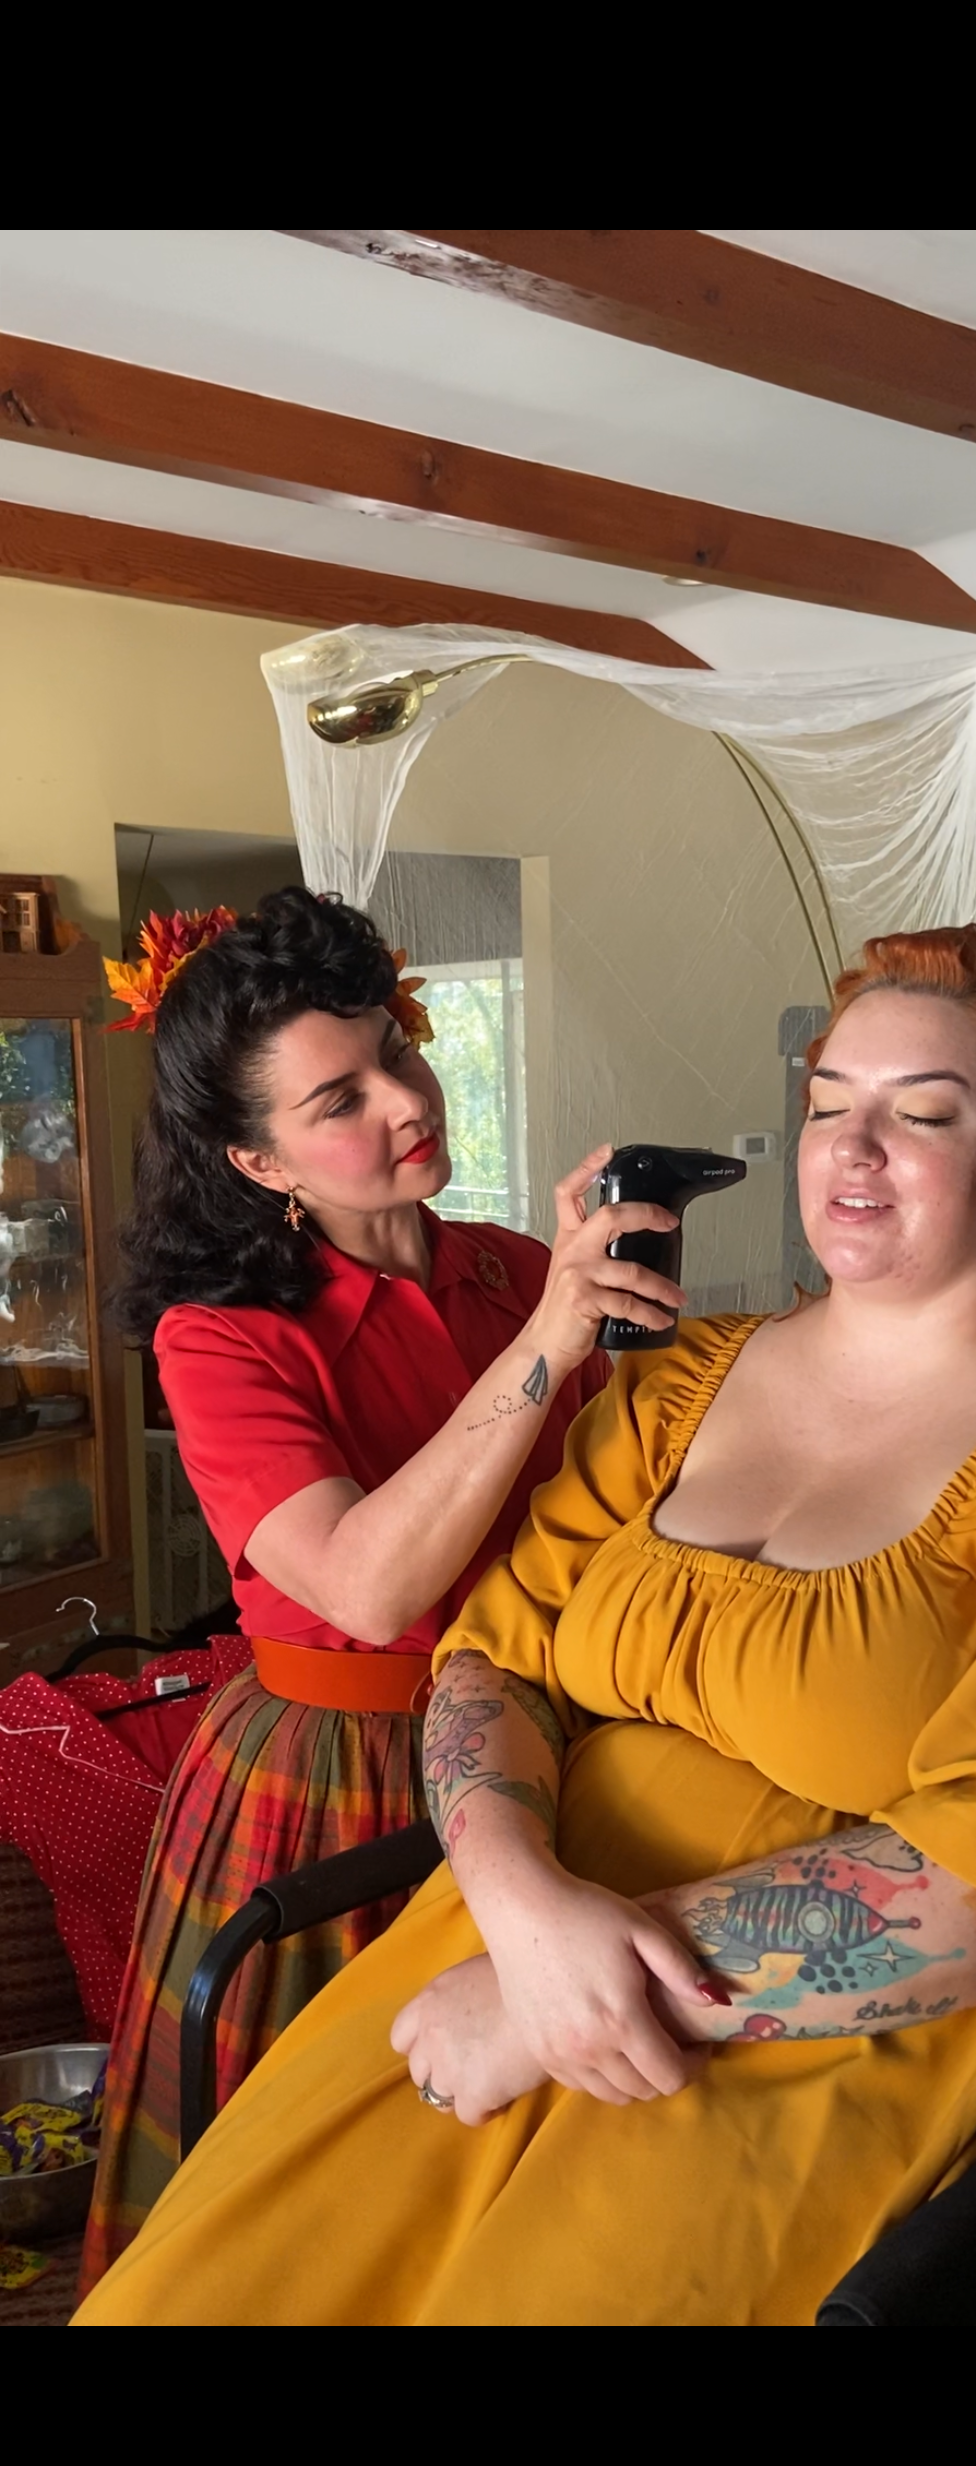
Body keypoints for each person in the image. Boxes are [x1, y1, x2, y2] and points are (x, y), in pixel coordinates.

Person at [74, 925, 976, 2329]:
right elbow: (480, 1648)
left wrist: (557, 2002)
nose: (851, 1148)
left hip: (811, 2029)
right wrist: (525, 1914)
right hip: (498, 1904)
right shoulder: (677, 1380)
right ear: (262, 1163)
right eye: (829, 1102)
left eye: (922, 1114)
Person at [78, 886, 682, 2294]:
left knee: (514, 2166)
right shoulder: (221, 1337)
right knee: (306, 2181)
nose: (405, 1100)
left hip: (545, 1741)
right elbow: (362, 1584)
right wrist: (549, 1341)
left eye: (394, 1052)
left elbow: (627, 1518)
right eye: (338, 1097)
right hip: (337, 1772)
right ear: (255, 1158)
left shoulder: (520, 1274)